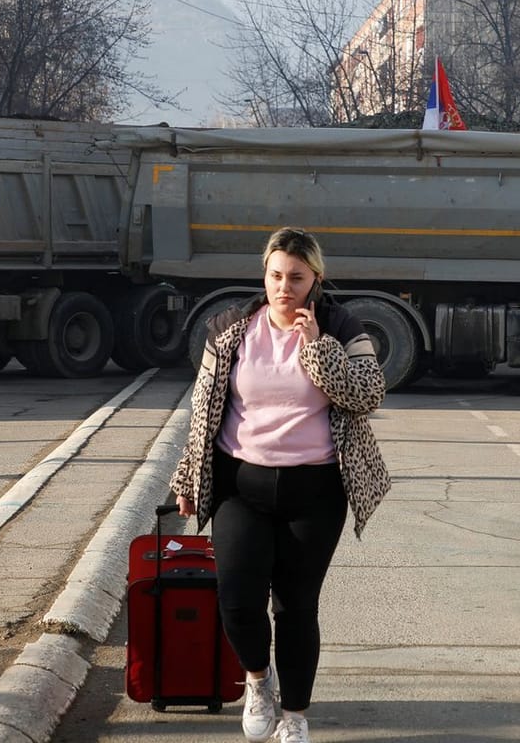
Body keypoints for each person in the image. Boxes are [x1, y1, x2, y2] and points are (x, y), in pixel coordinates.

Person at [171, 227, 390, 743]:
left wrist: (316, 350)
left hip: (314, 494)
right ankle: (256, 679)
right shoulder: (230, 329)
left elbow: (367, 395)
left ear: (316, 279)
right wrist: (186, 476)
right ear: (264, 275)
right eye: (275, 275)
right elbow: (202, 410)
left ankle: (294, 716)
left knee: (294, 608)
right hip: (239, 485)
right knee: (238, 600)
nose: (284, 287)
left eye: (296, 277)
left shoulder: (340, 325)